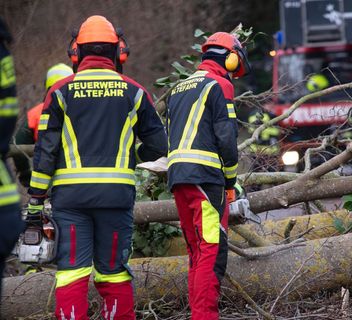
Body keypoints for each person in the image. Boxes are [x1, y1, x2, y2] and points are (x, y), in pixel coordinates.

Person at [27, 15, 168, 319]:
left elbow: (46, 151)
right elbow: (159, 147)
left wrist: (36, 200)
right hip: (116, 198)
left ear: (75, 54)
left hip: (71, 201)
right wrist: (130, 156)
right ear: (119, 53)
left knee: (72, 272)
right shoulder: (135, 92)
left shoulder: (60, 92)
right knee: (114, 272)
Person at [166, 31, 250, 320]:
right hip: (206, 177)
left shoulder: (179, 87)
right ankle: (204, 316)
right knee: (212, 252)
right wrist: (230, 183)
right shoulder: (220, 84)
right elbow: (226, 138)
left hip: (179, 178)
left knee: (196, 251)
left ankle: (198, 314)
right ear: (228, 57)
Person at [13, 63, 73, 187]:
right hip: (79, 182)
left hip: (45, 185)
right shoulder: (83, 111)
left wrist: (25, 174)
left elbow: (18, 145)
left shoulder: (35, 113)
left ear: (47, 85)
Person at [0, 16, 24, 301]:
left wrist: (35, 187)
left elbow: (30, 151)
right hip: (5, 205)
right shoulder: (132, 90)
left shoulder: (59, 94)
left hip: (67, 194)